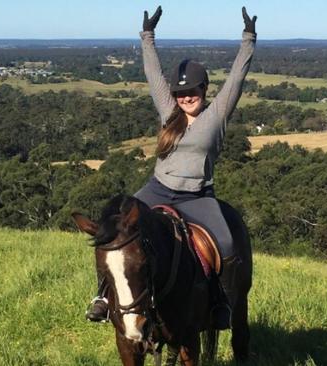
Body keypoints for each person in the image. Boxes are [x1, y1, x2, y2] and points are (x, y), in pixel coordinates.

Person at [87, 5, 257, 330]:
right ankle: (103, 297)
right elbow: (154, 76)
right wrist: (147, 36)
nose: (185, 97)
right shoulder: (169, 113)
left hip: (197, 196)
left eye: (192, 91)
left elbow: (236, 78)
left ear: (204, 91)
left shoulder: (217, 116)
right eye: (180, 93)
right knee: (114, 231)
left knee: (226, 243)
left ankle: (220, 302)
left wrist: (248, 39)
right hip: (157, 188)